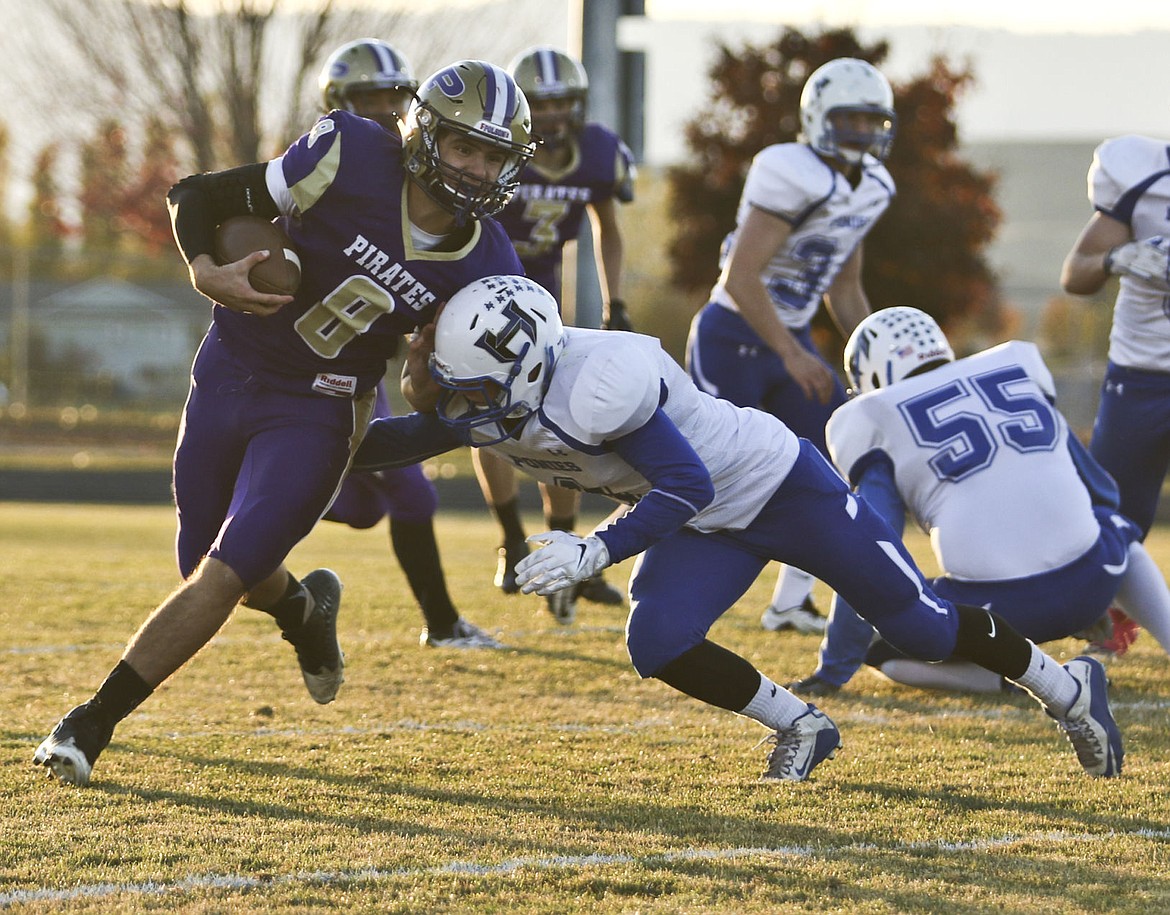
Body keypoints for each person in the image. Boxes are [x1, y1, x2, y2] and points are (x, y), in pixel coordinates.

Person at [353, 274, 1124, 782]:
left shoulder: (601, 381)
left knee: (919, 627)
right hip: (701, 519)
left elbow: (686, 481)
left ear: (520, 372)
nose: (458, 404)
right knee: (655, 640)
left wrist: (594, 548)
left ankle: (1066, 688)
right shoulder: (498, 399)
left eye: (472, 389)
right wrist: (305, 423)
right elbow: (384, 442)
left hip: (778, 485)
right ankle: (801, 725)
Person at [33, 60, 535, 786]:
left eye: (494, 156)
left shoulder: (486, 267)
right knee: (204, 558)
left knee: (221, 573)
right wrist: (206, 268)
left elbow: (439, 399)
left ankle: (88, 722)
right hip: (232, 365)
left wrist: (433, 389)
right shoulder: (351, 152)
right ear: (425, 134)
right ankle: (304, 610)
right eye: (463, 146)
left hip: (322, 405)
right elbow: (196, 196)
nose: (476, 168)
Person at [785, 306, 1170, 696]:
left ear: (869, 374)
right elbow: (1100, 491)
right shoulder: (1013, 365)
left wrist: (833, 669)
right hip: (1095, 581)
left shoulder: (872, 415)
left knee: (881, 647)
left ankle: (1026, 682)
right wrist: (1085, 584)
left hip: (995, 613)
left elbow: (870, 552)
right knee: (1118, 529)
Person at [685, 57, 897, 638]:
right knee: (701, 475)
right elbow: (740, 276)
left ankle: (789, 604)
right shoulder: (790, 170)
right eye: (848, 118)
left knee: (833, 461)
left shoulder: (872, 186)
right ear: (818, 118)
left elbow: (845, 286)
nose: (860, 131)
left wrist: (877, 353)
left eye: (869, 120)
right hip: (734, 335)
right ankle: (603, 551)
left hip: (790, 338)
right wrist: (791, 352)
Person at [316, 39, 499, 649]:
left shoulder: (426, 183)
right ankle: (443, 622)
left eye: (396, 99)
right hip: (290, 364)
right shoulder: (334, 163)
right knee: (405, 493)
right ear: (340, 103)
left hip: (359, 374)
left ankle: (442, 621)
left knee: (371, 507)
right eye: (370, 100)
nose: (383, 112)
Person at [466, 46, 638, 625]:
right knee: (481, 417)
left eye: (561, 101)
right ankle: (512, 539)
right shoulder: (496, 147)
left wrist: (616, 303)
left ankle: (562, 549)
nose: (553, 113)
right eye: (540, 102)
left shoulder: (597, 153)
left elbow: (605, 229)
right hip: (481, 293)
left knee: (558, 419)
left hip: (545, 302)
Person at [1060, 134, 1170, 657]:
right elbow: (1075, 272)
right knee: (1109, 521)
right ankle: (1109, 617)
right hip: (1142, 377)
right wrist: (1118, 259)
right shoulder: (1144, 178)